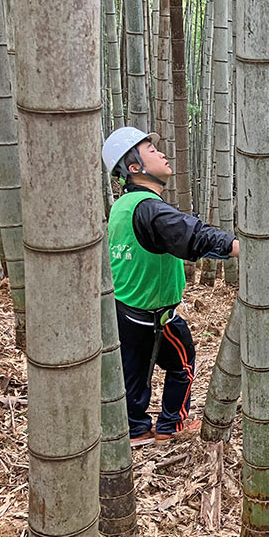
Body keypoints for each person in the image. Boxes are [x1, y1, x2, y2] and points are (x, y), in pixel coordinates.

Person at [102, 126, 240, 447]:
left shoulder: (123, 205)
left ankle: (135, 430)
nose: (161, 153)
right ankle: (171, 425)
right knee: (183, 364)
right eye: (151, 150)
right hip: (155, 316)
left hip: (124, 309)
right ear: (135, 167)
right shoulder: (149, 208)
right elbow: (191, 235)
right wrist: (239, 246)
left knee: (133, 373)